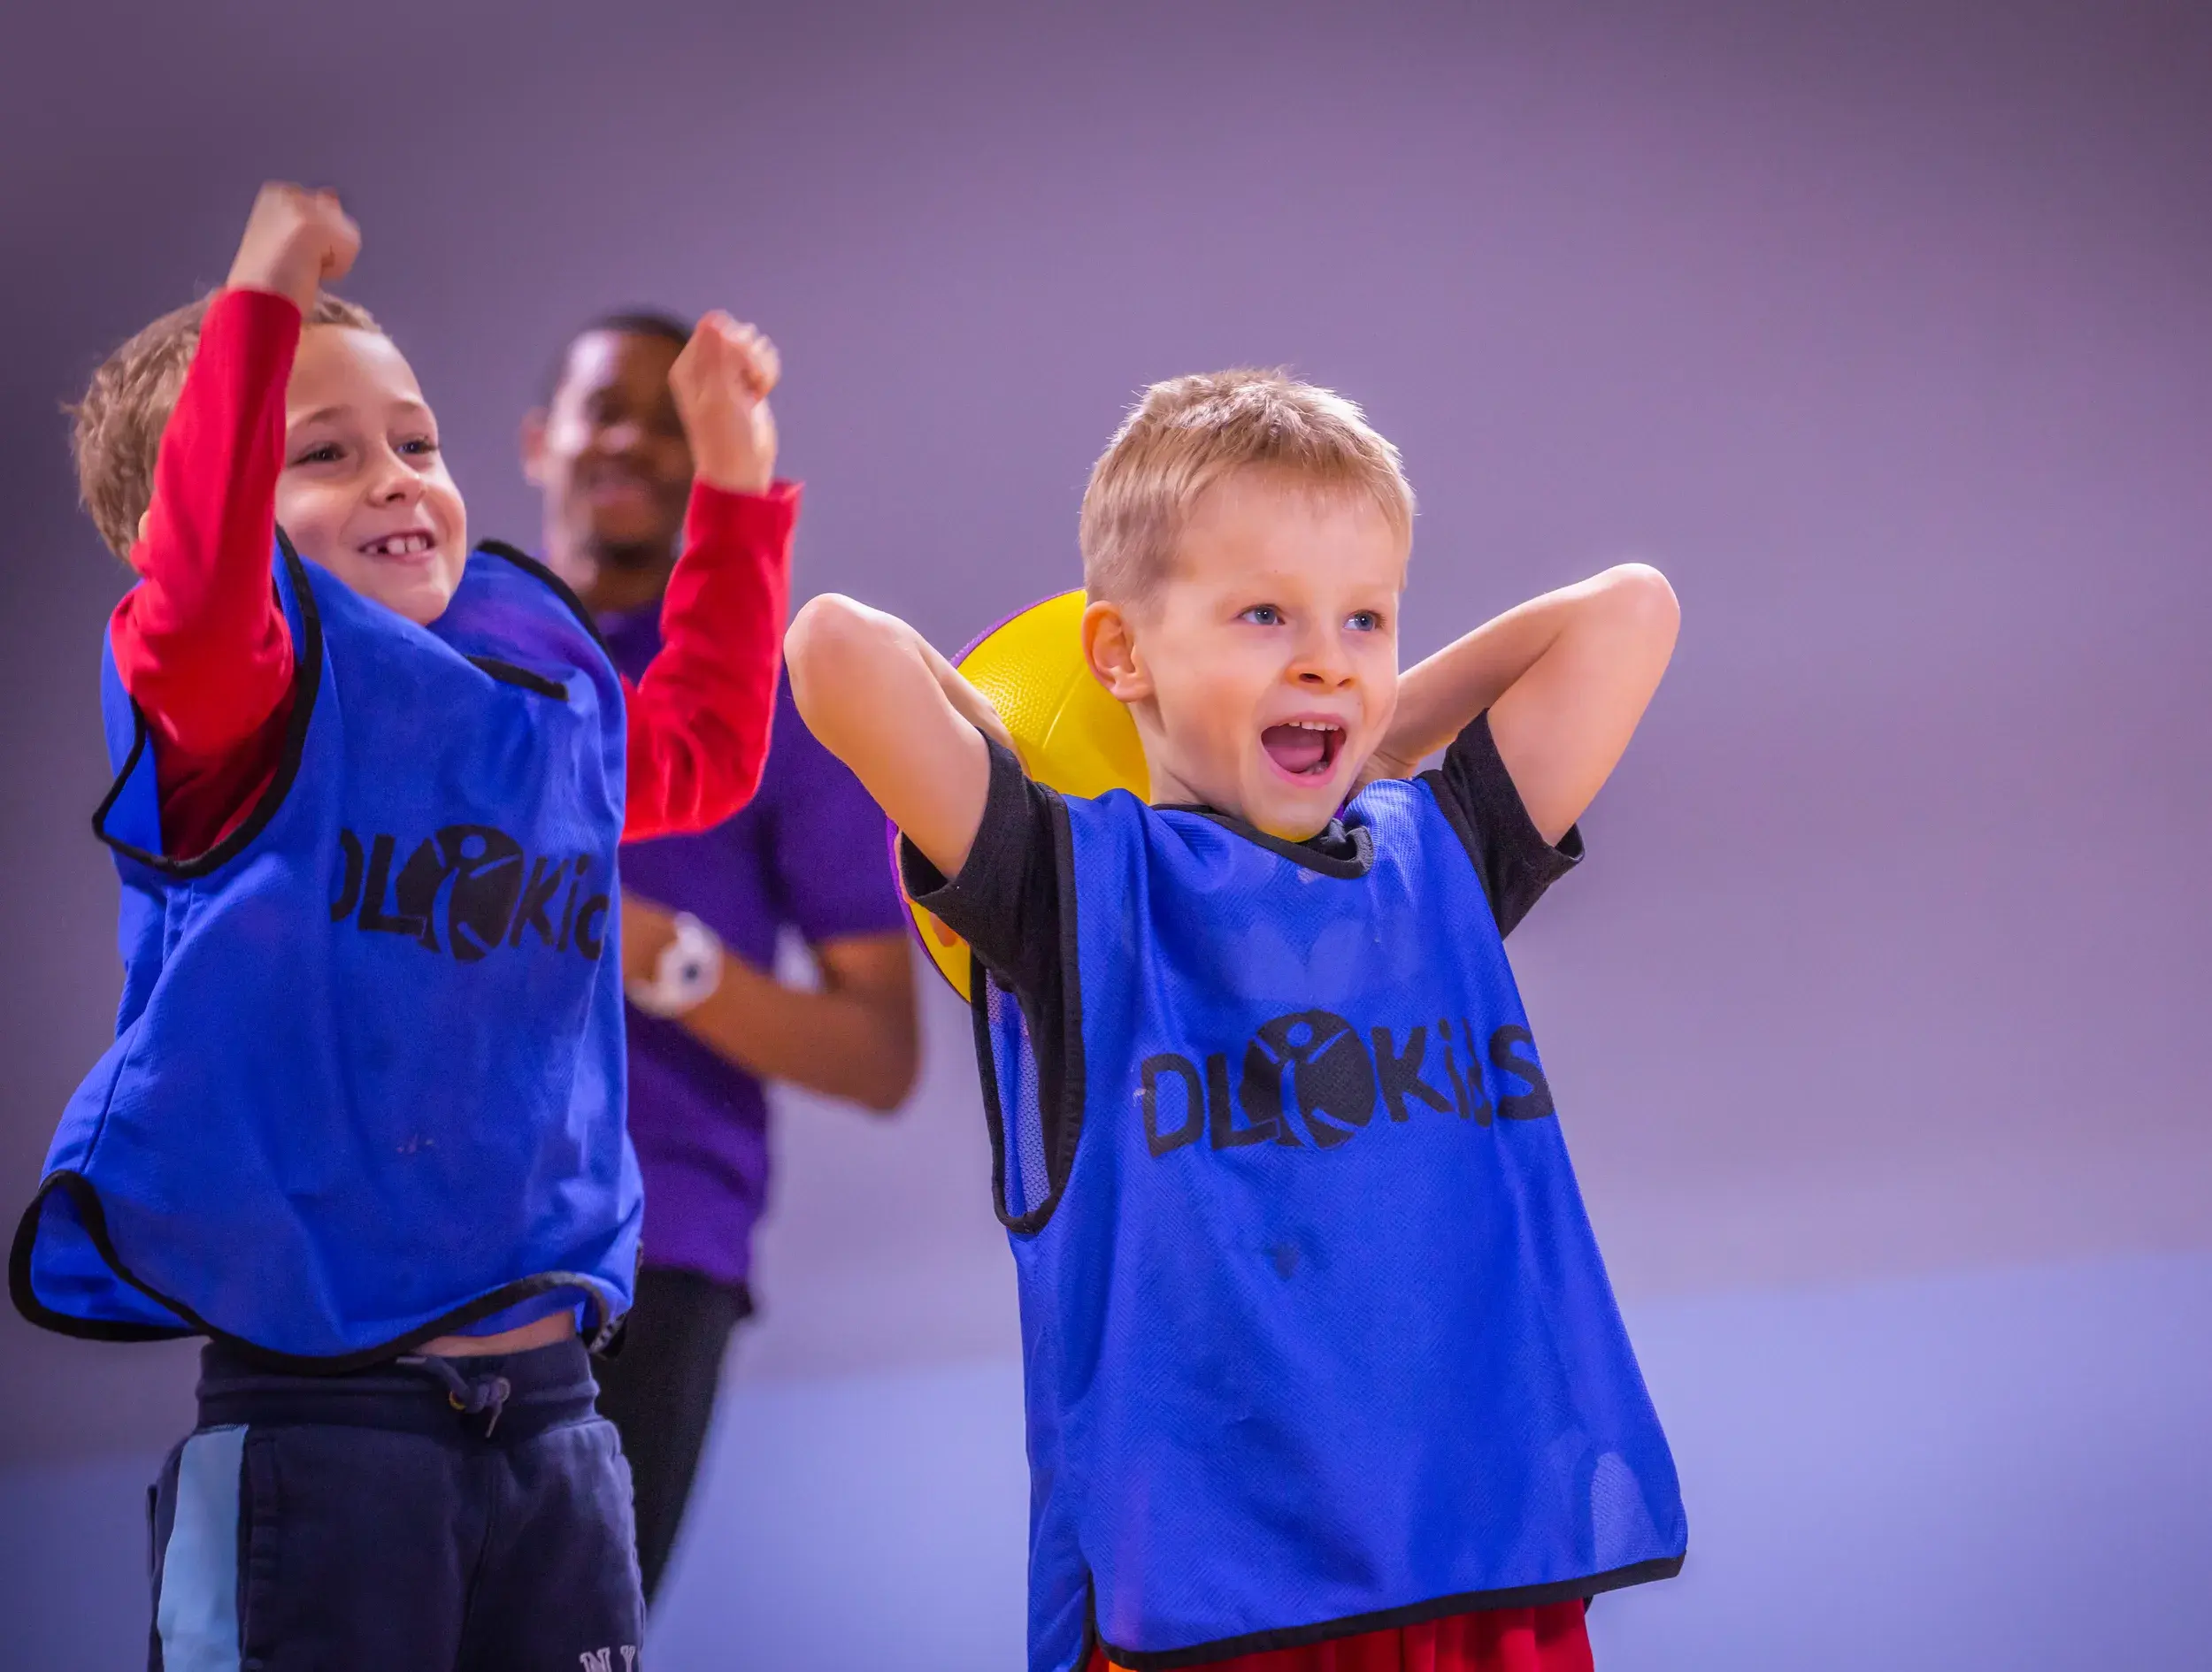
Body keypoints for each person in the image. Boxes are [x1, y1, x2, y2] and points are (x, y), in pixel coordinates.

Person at [787, 369, 1686, 1672]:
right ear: (1119, 653)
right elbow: (832, 648)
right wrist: (1011, 752)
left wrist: (1375, 734)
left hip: (1475, 1569)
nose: (1326, 654)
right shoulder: (1074, 892)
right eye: (1265, 613)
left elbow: (1631, 611)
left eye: (1366, 617)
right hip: (1218, 1597)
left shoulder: (1435, 862)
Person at [9, 184, 795, 1669]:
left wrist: (740, 485)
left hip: (555, 1412)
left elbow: (697, 750)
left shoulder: (521, 697)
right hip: (323, 1416)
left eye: (417, 444)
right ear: (193, 515)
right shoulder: (234, 697)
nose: (398, 481)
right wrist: (261, 291)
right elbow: (202, 593)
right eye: (324, 452)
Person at [523, 311, 919, 1601]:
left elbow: (881, 1051)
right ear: (539, 441)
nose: (634, 442)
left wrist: (662, 957)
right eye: (605, 409)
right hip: (431, 1225)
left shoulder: (777, 709)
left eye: (673, 421)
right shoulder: (458, 666)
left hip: (659, 1249)